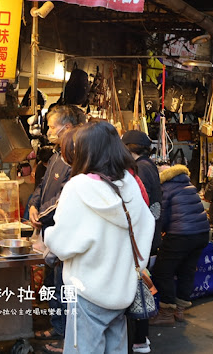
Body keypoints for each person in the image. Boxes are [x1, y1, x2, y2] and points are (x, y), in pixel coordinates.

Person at [44, 121, 155, 354]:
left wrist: (48, 236)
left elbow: (62, 245)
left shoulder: (77, 187)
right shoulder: (129, 182)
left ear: (86, 151)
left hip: (88, 292)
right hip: (122, 291)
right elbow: (147, 225)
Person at [28, 105, 86, 345]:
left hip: (63, 235)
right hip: (50, 233)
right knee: (53, 282)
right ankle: (57, 326)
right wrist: (32, 204)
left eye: (52, 127)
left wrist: (40, 216)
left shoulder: (76, 162)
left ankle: (63, 334)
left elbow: (63, 198)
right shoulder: (55, 155)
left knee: (63, 285)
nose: (49, 131)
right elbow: (42, 188)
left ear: (68, 128)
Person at [150, 164, 210, 326]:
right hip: (202, 233)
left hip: (181, 235)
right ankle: (180, 310)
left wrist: (158, 233)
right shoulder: (188, 184)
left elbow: (163, 215)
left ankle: (167, 312)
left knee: (162, 271)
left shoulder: (166, 187)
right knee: (187, 271)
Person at [121, 130, 162, 353]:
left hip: (142, 240)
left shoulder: (141, 170)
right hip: (150, 238)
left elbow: (139, 208)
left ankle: (139, 339)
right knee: (141, 286)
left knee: (139, 289)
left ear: (128, 149)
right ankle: (141, 339)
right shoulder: (149, 165)